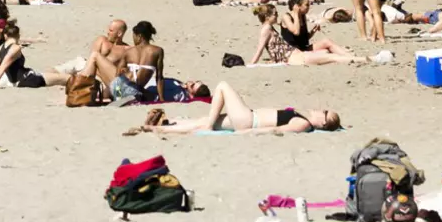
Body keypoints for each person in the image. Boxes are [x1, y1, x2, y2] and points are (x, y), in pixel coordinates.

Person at [127, 84, 340, 135]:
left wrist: (247, 133)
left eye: (325, 113)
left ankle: (208, 127)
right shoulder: (303, 118)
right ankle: (164, 127)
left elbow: (275, 131)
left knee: (222, 86)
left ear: (323, 122)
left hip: (249, 121)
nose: (321, 110)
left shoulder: (303, 124)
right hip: (247, 118)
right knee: (202, 120)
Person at [112, 21, 166, 103]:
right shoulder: (157, 51)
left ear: (139, 36)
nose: (133, 39)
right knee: (147, 94)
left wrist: (117, 96)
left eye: (134, 36)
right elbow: (159, 77)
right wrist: (162, 99)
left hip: (120, 88)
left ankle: (120, 98)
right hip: (134, 90)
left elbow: (117, 76)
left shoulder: (128, 52)